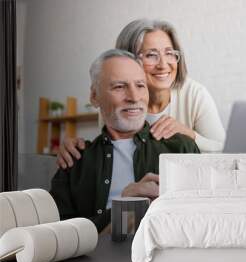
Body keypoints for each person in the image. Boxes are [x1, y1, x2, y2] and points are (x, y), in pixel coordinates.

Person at [50, 49, 200, 233]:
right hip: (99, 259)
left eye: (140, 85)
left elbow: (202, 221)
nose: (134, 97)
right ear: (95, 96)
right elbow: (59, 237)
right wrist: (121, 210)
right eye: (119, 87)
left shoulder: (181, 147)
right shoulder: (74, 160)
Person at [56, 19, 224, 169]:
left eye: (169, 53)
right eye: (151, 55)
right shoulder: (117, 102)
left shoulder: (195, 94)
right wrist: (75, 147)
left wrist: (190, 135)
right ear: (127, 59)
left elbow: (228, 156)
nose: (163, 64)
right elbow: (114, 154)